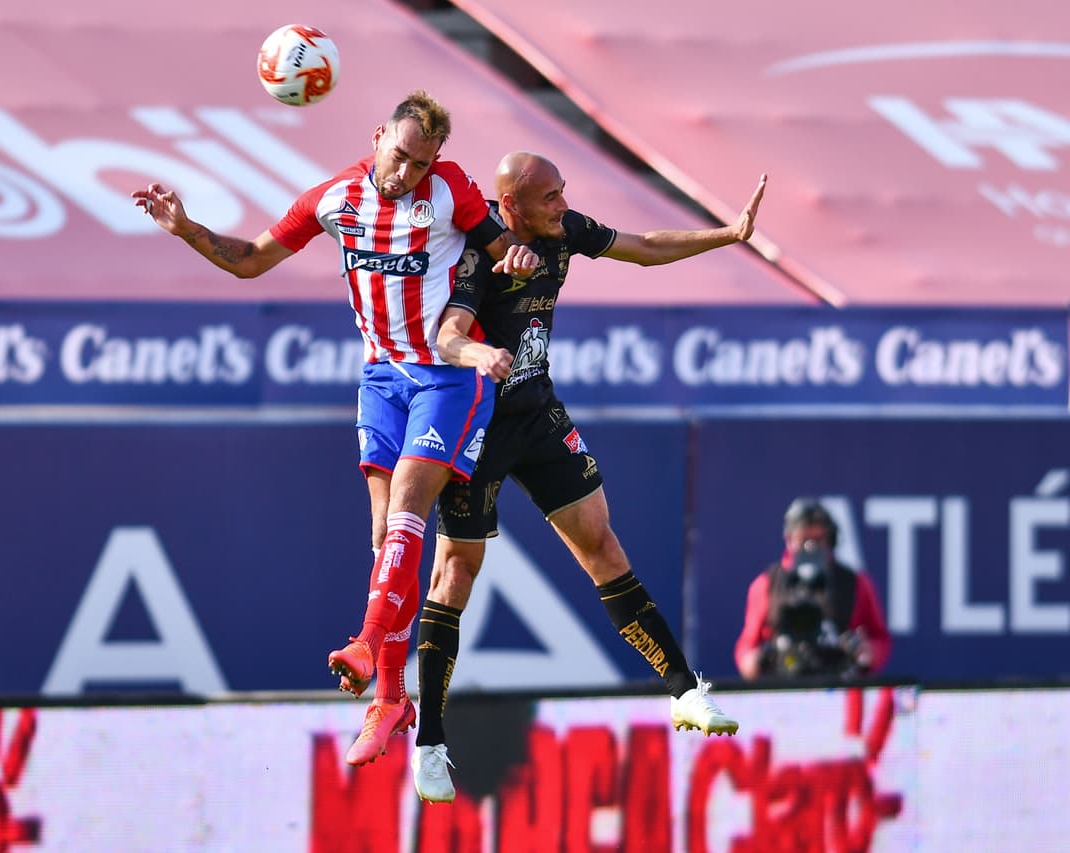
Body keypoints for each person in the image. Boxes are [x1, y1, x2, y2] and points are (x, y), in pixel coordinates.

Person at [132, 91, 536, 767]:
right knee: (386, 537)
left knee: (409, 503)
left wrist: (516, 256)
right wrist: (187, 228)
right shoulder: (333, 199)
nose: (407, 172)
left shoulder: (451, 189)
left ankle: (366, 643)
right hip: (381, 377)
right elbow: (251, 258)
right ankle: (390, 697)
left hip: (447, 375)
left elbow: (500, 247)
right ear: (379, 136)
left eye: (421, 162)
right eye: (400, 155)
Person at [400, 151, 767, 803]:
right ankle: (429, 742)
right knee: (455, 573)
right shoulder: (480, 249)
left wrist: (729, 234)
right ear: (509, 206)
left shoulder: (564, 231)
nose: (563, 205)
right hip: (475, 417)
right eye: (550, 198)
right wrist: (482, 352)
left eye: (564, 194)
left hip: (536, 411)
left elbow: (646, 247)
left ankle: (685, 691)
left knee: (602, 544)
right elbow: (448, 332)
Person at [734, 497, 892, 680]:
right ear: (789, 540)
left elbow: (879, 640)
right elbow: (747, 648)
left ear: (831, 540)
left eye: (818, 539)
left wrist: (865, 651)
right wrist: (757, 659)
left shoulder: (856, 583)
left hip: (838, 682)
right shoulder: (766, 584)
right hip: (780, 685)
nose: (811, 547)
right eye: (803, 540)